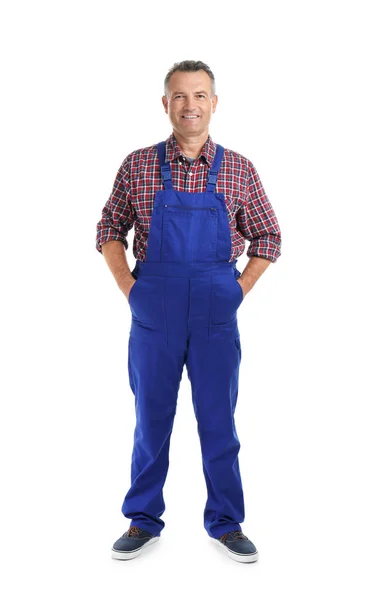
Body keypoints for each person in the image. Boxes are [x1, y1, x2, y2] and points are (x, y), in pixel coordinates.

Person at [96, 60, 281, 563]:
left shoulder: (239, 168)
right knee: (150, 418)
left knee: (218, 419)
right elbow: (109, 229)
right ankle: (142, 519)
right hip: (154, 304)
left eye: (200, 95)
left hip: (216, 307)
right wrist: (130, 289)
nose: (190, 105)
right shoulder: (137, 164)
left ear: (214, 103)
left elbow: (269, 236)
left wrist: (238, 289)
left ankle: (226, 522)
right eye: (180, 96)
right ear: (165, 104)